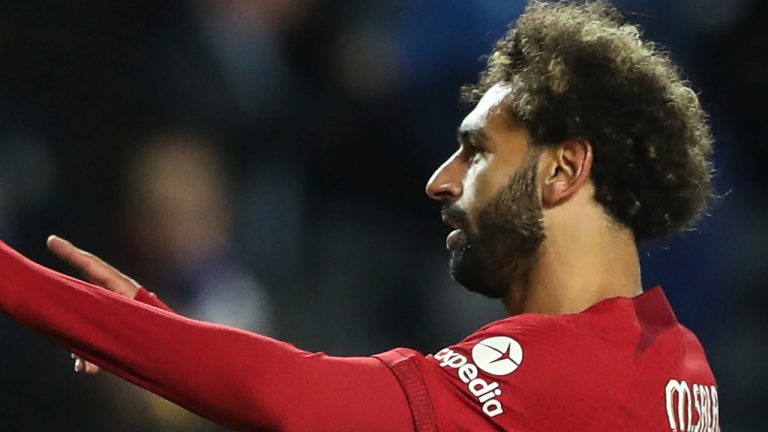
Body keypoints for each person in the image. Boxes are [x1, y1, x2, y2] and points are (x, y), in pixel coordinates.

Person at [0, 1, 719, 431]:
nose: (440, 181)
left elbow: (295, 397)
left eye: (475, 153)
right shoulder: (675, 359)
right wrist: (158, 331)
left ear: (564, 169)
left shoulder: (557, 371)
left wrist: (29, 289)